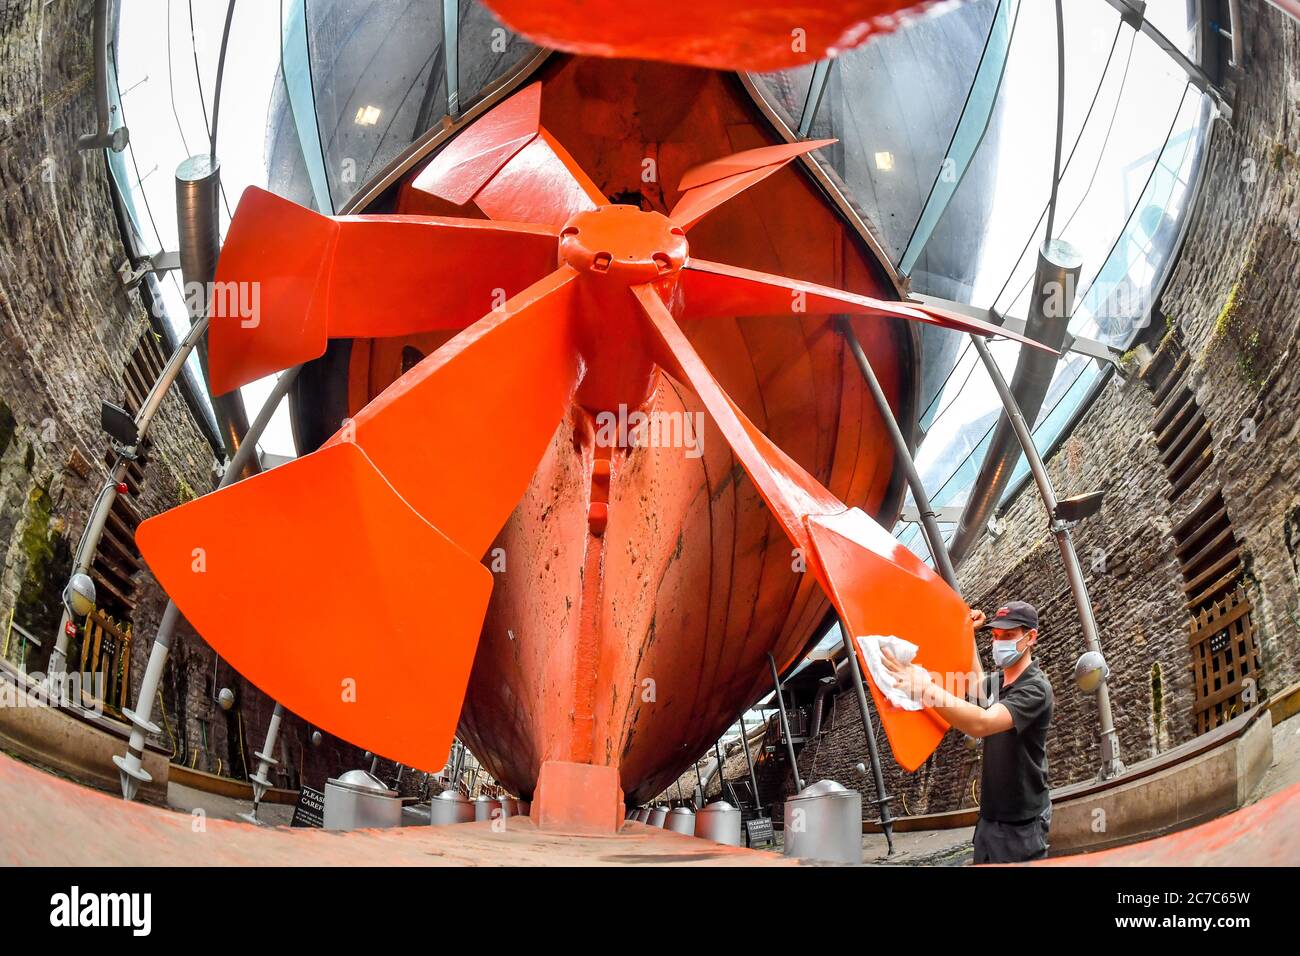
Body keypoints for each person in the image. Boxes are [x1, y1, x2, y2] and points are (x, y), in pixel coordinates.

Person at [881, 600, 1053, 863]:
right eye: (996, 636)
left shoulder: (1035, 689)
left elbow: (982, 723)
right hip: (989, 821)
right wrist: (968, 634)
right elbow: (974, 684)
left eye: (1008, 636)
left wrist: (925, 688)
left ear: (1031, 637)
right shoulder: (999, 683)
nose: (999, 642)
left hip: (1022, 825)